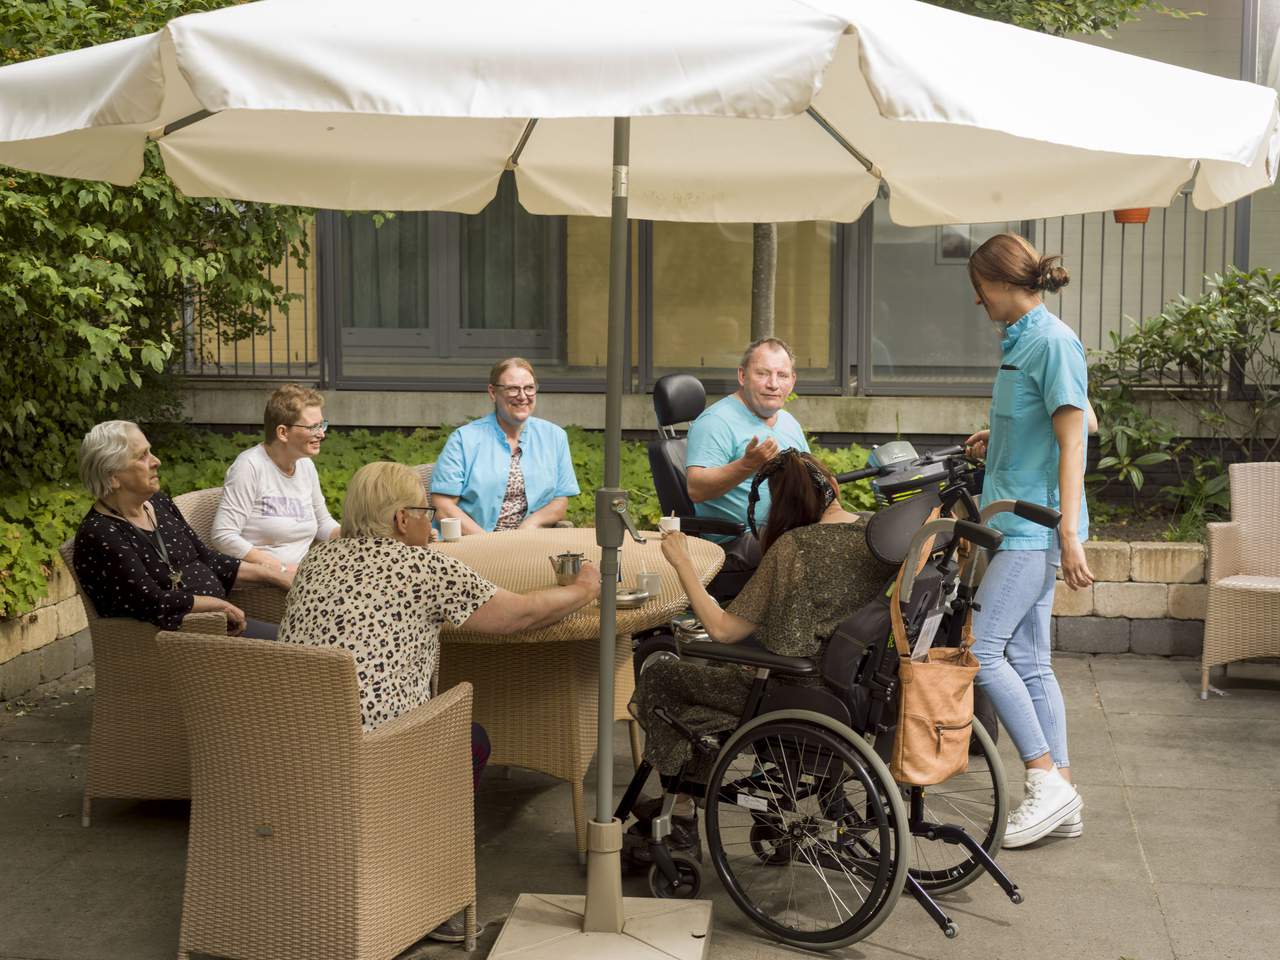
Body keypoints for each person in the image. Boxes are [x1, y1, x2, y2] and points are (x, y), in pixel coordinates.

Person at [277, 461, 599, 941]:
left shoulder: (317, 560)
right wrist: (583, 589)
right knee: (472, 740)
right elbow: (518, 615)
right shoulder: (424, 566)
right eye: (425, 511)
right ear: (401, 520)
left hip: (288, 747)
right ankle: (420, 886)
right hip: (373, 756)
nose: (430, 520)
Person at [630, 450, 895, 855]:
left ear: (783, 505)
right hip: (849, 688)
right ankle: (688, 793)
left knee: (662, 675)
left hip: (786, 690)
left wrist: (681, 562)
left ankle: (682, 805)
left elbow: (722, 629)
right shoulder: (876, 536)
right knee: (712, 672)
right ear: (834, 486)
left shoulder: (795, 546)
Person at [962, 233, 1094, 849]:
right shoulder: (1023, 342)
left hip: (1032, 528)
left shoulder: (1051, 341)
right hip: (1019, 518)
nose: (978, 304)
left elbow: (1076, 438)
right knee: (1031, 661)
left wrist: (1067, 530)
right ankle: (1061, 794)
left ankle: (1042, 777)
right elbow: (1055, 419)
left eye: (977, 290)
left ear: (995, 283)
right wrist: (1001, 439)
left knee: (982, 651)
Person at [72, 421, 291, 640]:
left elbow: (207, 559)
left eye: (151, 452)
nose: (156, 461)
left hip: (218, 627)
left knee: (312, 638)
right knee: (307, 651)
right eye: (142, 456)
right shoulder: (100, 533)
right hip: (183, 643)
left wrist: (273, 574)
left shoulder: (157, 504)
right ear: (113, 476)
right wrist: (217, 606)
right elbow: (153, 602)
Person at [685, 337, 809, 596]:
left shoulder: (788, 422)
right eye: (762, 373)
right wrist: (747, 465)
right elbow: (696, 488)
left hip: (788, 529)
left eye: (781, 375)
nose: (773, 384)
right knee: (807, 549)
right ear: (742, 376)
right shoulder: (716, 422)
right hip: (736, 543)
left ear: (792, 380)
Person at [431, 358, 580, 534]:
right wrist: (486, 542)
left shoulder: (555, 437)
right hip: (472, 542)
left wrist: (528, 527)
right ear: (493, 392)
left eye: (529, 388)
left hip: (530, 540)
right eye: (513, 388)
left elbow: (560, 501)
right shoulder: (464, 439)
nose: (523, 396)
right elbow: (444, 506)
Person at [210, 384, 340, 579]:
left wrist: (356, 532)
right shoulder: (249, 467)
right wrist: (279, 569)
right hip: (267, 582)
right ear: (283, 433)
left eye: (322, 424)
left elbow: (322, 523)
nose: (321, 433)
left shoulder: (305, 465)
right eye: (313, 426)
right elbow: (223, 536)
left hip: (308, 574)